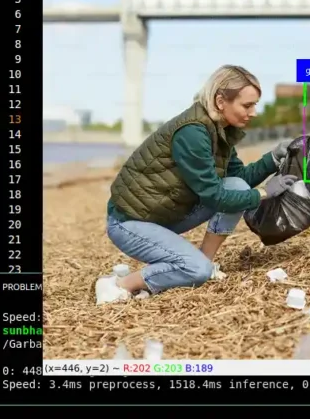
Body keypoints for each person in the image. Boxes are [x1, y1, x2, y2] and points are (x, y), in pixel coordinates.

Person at [96, 65, 298, 304]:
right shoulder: (192, 132)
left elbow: (237, 180)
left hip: (163, 215)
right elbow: (214, 196)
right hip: (130, 222)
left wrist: (273, 158)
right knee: (196, 271)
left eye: (254, 105)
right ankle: (118, 285)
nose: (253, 112)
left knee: (236, 187)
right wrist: (264, 193)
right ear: (221, 101)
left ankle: (205, 261)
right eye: (247, 105)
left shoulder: (220, 130)